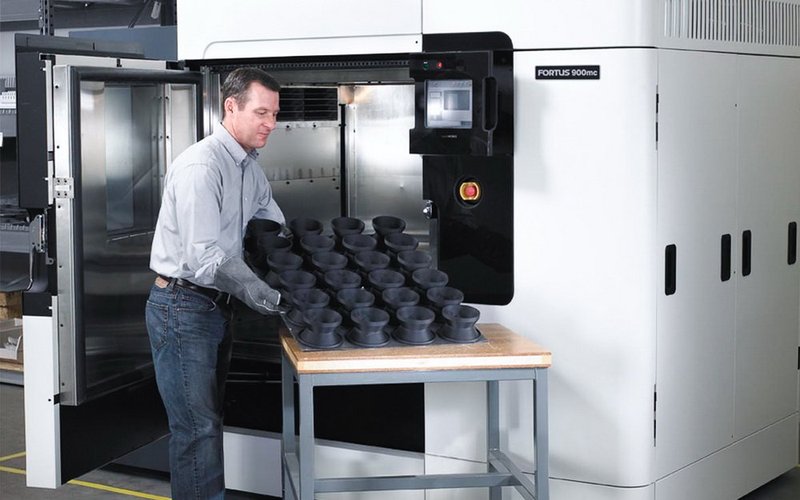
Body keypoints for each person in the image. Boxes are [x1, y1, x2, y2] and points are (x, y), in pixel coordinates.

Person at [145, 67, 288, 499]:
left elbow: (271, 223)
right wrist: (257, 290)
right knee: (197, 429)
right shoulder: (202, 167)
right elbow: (204, 255)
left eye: (274, 114)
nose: (271, 123)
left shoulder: (248, 167)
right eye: (261, 113)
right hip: (182, 307)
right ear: (231, 106)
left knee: (206, 422)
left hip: (215, 307)